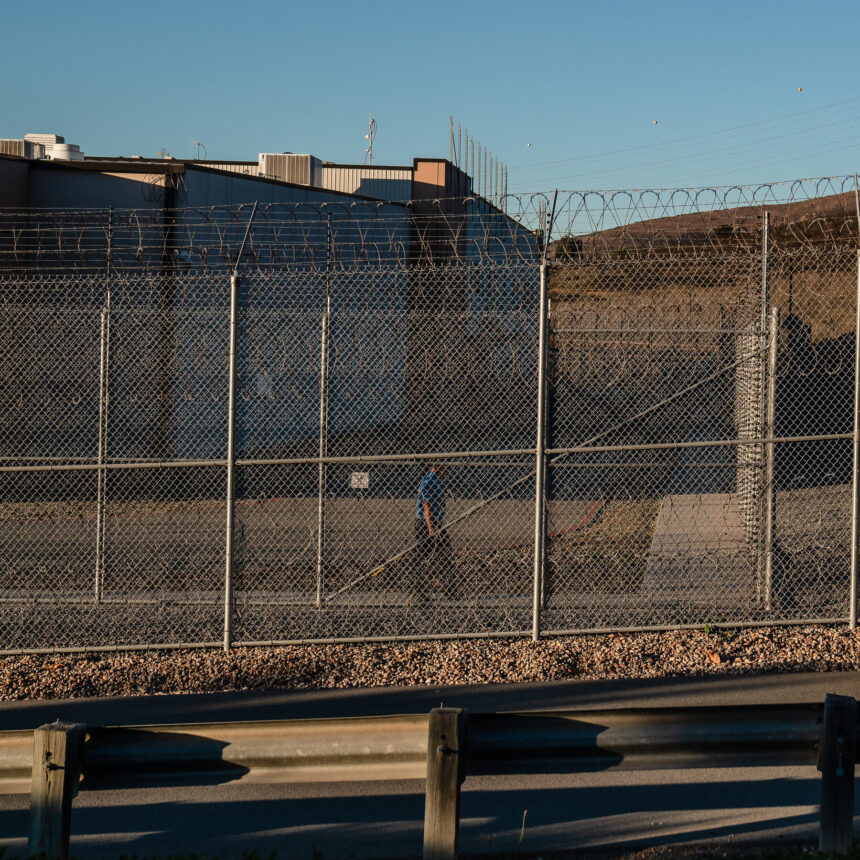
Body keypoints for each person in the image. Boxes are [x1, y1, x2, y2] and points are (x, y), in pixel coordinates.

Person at [412, 464, 459, 601]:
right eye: (445, 467)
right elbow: (427, 506)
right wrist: (431, 527)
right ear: (437, 466)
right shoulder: (428, 482)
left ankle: (449, 590)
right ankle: (418, 591)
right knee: (422, 557)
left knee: (444, 555)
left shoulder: (436, 481)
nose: (448, 470)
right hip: (426, 524)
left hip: (434, 523)